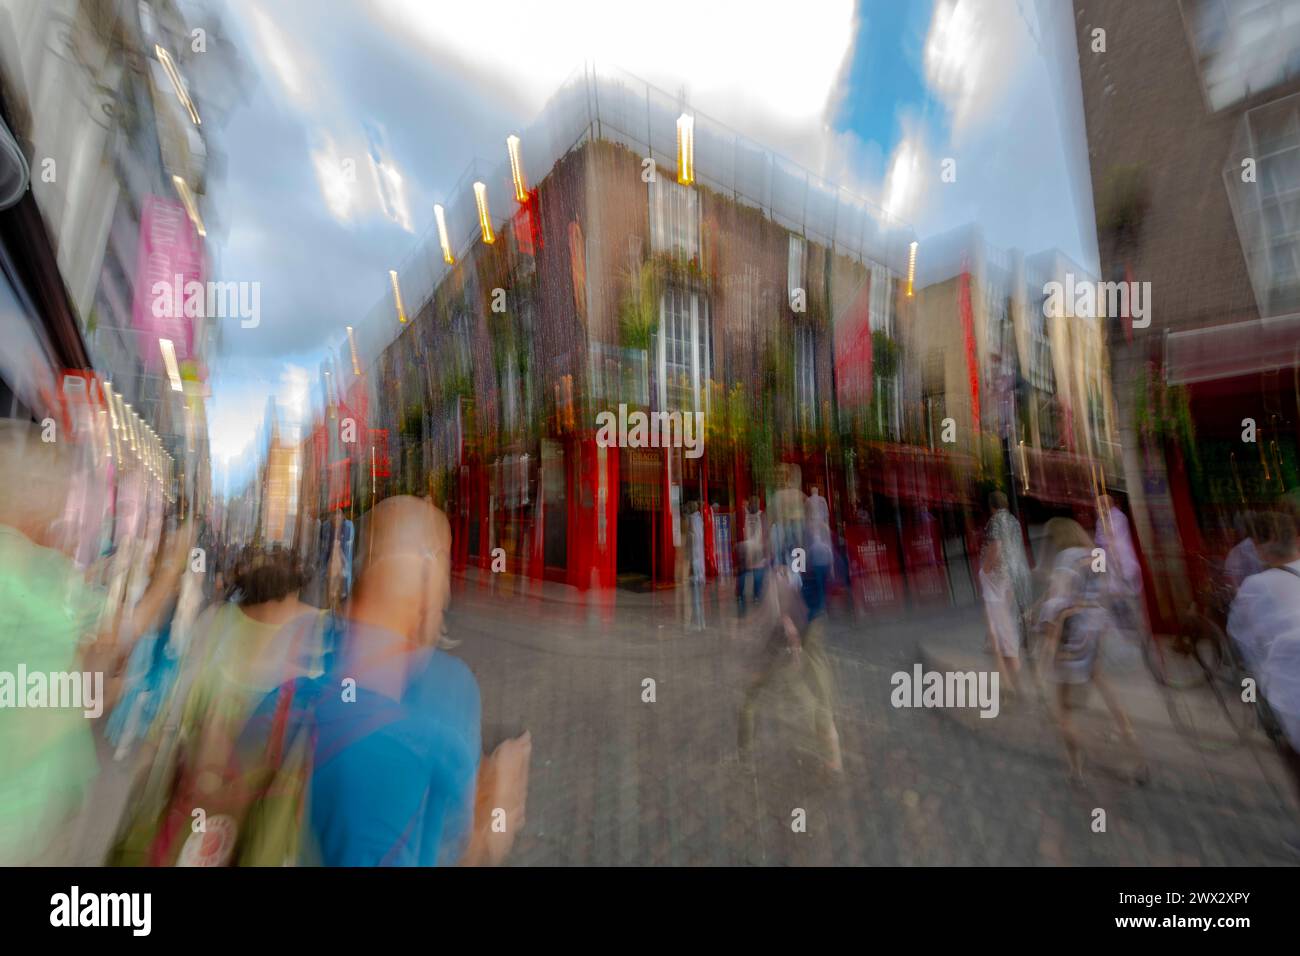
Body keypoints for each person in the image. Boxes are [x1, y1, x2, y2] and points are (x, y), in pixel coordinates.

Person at [250, 496, 530, 866]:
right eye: (444, 571)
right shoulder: (441, 705)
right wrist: (496, 817)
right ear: (425, 581)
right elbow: (466, 845)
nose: (447, 593)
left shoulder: (295, 670)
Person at [0, 420, 192, 864]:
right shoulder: (23, 570)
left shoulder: (36, 570)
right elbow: (117, 634)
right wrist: (170, 568)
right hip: (23, 810)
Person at [108, 548, 330, 866]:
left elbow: (174, 716)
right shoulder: (323, 632)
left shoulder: (218, 622)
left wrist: (148, 778)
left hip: (217, 811)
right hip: (259, 820)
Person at [1036, 517, 1147, 788]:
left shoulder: (1065, 558)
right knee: (1105, 688)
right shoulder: (1093, 555)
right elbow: (1101, 593)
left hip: (1070, 638)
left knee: (1061, 708)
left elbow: (1059, 603)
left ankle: (1079, 766)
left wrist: (1046, 647)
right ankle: (1130, 738)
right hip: (1093, 632)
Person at [1227, 510, 1300, 839]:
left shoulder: (1256, 586)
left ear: (1259, 548)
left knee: (1290, 757)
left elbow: (1244, 643)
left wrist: (1252, 691)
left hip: (1290, 694)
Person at [737, 562, 842, 778]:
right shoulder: (781, 579)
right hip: (781, 653)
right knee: (801, 697)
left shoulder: (760, 581)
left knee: (751, 702)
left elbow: (779, 621)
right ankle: (831, 749)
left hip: (773, 655)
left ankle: (745, 757)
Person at [980, 538, 1021, 695]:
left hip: (993, 609)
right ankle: (1012, 686)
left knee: (999, 651)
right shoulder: (1007, 572)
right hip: (1003, 610)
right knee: (1009, 651)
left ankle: (1008, 687)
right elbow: (1010, 595)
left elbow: (987, 599)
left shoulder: (986, 569)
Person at [735, 497, 767, 615]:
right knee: (757, 573)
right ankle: (756, 596)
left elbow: (742, 530)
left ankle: (741, 596)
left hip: (747, 548)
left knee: (744, 573)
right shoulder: (760, 515)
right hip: (757, 548)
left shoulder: (746, 515)